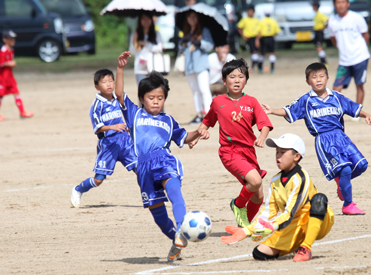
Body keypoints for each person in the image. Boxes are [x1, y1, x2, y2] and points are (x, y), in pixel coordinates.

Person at [115, 52, 210, 262]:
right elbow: (120, 94)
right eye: (151, 98)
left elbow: (183, 137)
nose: (156, 102)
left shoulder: (168, 120)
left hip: (164, 159)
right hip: (144, 168)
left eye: (160, 98)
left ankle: (181, 228)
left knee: (174, 190)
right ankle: (177, 239)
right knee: (158, 216)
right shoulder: (135, 114)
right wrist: (121, 69)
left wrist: (199, 133)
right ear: (142, 99)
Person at [262, 62, 371, 215]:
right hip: (324, 141)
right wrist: (273, 111)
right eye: (314, 77)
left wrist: (366, 115)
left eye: (321, 76)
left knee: (361, 165)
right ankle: (348, 205)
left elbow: (353, 108)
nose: (318, 80)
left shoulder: (336, 96)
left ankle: (342, 180)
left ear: (328, 78)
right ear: (308, 82)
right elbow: (289, 111)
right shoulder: (306, 100)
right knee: (346, 169)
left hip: (341, 137)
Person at [221, 133, 334, 262]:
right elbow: (268, 212)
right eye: (277, 152)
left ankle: (306, 247)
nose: (278, 156)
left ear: (296, 156)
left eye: (283, 152)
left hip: (316, 223)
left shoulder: (300, 178)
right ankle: (296, 244)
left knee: (319, 199)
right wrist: (247, 230)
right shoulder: (275, 180)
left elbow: (290, 213)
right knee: (259, 253)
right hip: (292, 225)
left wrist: (272, 227)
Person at [191, 58, 273, 228]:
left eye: (241, 77)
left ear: (246, 80)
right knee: (256, 181)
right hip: (230, 152)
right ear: (224, 80)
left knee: (258, 196)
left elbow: (264, 124)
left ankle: (244, 227)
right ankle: (237, 205)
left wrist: (262, 137)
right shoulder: (218, 102)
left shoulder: (251, 102)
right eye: (232, 77)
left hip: (249, 152)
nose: (236, 80)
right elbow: (206, 122)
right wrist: (198, 135)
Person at [70, 69, 137, 208]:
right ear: (97, 86)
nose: (109, 84)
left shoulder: (118, 99)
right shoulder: (96, 106)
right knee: (99, 180)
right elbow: (97, 128)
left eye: (111, 81)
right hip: (108, 145)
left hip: (125, 141)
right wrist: (113, 127)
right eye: (104, 82)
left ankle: (152, 195)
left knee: (139, 169)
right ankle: (78, 190)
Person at [328, 0, 370, 106]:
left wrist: (361, 49)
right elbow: (333, 39)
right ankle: (336, 112)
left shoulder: (356, 18)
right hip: (344, 61)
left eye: (343, 2)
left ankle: (357, 111)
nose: (341, 5)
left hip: (360, 57)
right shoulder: (332, 21)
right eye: (338, 2)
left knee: (359, 85)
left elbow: (365, 35)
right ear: (334, 5)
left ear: (348, 4)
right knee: (336, 88)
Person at [180, 9, 214, 125]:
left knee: (204, 90)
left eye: (194, 16)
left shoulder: (204, 31)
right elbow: (182, 50)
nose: (192, 19)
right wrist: (182, 43)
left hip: (201, 65)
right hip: (189, 67)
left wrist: (199, 43)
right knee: (195, 91)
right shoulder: (186, 32)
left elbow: (209, 46)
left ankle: (209, 114)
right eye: (189, 17)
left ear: (198, 18)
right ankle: (199, 114)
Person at [0, 30, 34, 121]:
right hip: (2, 77)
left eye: (13, 38)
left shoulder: (12, 50)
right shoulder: (3, 50)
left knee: (16, 92)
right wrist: (10, 64)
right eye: (10, 38)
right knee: (1, 95)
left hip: (10, 77)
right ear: (4, 40)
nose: (12, 40)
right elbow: (1, 63)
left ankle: (22, 112)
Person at [130, 12, 163, 87]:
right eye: (143, 19)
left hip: (154, 67)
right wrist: (134, 40)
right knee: (142, 92)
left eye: (148, 19)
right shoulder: (135, 34)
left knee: (153, 92)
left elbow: (159, 48)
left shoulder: (156, 34)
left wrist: (146, 44)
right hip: (140, 67)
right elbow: (132, 51)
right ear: (140, 20)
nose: (146, 21)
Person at [256, 8, 280, 74]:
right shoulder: (273, 21)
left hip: (263, 38)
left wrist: (257, 40)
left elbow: (259, 32)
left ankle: (260, 68)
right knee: (271, 53)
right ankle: (272, 69)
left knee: (262, 53)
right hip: (271, 38)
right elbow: (277, 31)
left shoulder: (261, 21)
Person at [237, 5, 260, 72]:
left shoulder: (256, 20)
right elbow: (239, 28)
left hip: (255, 38)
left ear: (253, 12)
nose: (250, 13)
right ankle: (258, 66)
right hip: (249, 38)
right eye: (248, 11)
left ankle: (255, 66)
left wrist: (257, 39)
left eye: (251, 11)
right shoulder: (245, 20)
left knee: (254, 52)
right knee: (253, 52)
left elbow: (259, 31)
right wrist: (243, 36)